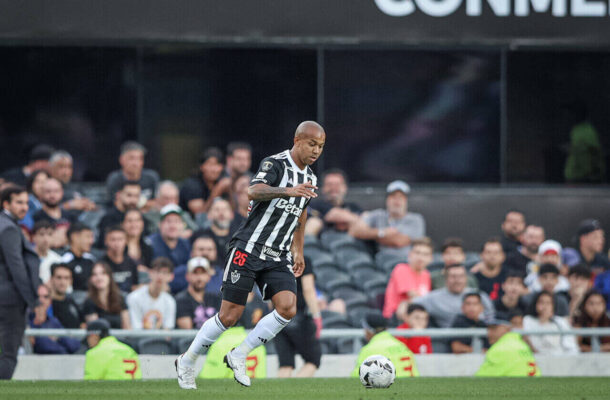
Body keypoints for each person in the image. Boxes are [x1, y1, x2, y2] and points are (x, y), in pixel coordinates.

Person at [176, 120, 325, 389]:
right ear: (297, 140)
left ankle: (239, 354)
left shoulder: (312, 178)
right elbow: (252, 190)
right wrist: (287, 190)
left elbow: (302, 212)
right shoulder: (275, 163)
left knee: (288, 308)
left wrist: (298, 249)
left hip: (278, 254)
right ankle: (187, 361)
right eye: (312, 144)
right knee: (229, 316)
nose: (316, 150)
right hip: (249, 247)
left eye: (321, 146)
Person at [0, 186, 40, 379]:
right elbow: (17, 268)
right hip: (9, 301)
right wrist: (33, 302)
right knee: (8, 355)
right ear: (6, 204)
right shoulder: (8, 228)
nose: (24, 207)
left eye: (26, 202)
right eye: (19, 202)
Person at [349, 180, 425, 259]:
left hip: (405, 262)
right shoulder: (378, 214)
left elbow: (398, 241)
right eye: (393, 197)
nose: (397, 201)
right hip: (381, 262)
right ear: (387, 199)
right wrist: (382, 232)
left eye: (400, 197)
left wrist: (369, 234)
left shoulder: (416, 219)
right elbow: (354, 231)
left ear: (406, 201)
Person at [275, 254, 323, 378]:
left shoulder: (275, 259)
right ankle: (295, 390)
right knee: (313, 359)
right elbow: (308, 290)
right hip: (298, 316)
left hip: (277, 316)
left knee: (285, 364)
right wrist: (317, 316)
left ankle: (279, 395)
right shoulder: (303, 260)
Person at [413, 263, 494, 328]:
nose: (457, 280)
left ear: (466, 278)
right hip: (449, 340)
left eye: (461, 276)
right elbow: (409, 305)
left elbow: (490, 317)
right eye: (453, 276)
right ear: (446, 278)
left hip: (478, 338)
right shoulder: (433, 298)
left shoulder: (479, 295)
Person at [351, 312, 419, 378]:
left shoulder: (368, 350)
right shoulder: (402, 346)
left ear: (369, 331)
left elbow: (356, 378)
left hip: (390, 388)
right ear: (386, 328)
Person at [383, 237, 433, 319]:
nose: (420, 257)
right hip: (395, 317)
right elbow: (414, 296)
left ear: (431, 258)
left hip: (417, 317)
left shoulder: (426, 274)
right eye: (417, 253)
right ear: (410, 254)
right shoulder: (401, 269)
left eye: (425, 254)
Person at [475, 317, 540, 377]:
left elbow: (480, 379)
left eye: (494, 328)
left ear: (508, 328)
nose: (489, 332)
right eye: (488, 328)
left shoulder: (498, 349)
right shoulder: (522, 345)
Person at [148, 204, 191, 293]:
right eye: (168, 221)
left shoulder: (186, 244)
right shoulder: (150, 243)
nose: (172, 225)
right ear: (160, 224)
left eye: (176, 221)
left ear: (182, 225)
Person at [305, 168, 361, 236]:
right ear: (323, 188)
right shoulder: (315, 205)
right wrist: (356, 220)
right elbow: (335, 215)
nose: (333, 188)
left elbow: (366, 219)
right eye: (329, 184)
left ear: (345, 188)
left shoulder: (353, 207)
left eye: (337, 184)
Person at [28, 284, 81, 354]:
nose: (41, 300)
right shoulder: (25, 321)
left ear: (50, 301)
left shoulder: (53, 321)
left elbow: (74, 345)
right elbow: (43, 346)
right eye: (38, 296)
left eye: (45, 297)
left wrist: (58, 338)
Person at [106, 141, 160, 208]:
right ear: (121, 160)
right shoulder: (115, 179)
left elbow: (158, 203)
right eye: (131, 158)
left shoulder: (151, 177)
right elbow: (113, 205)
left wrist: (137, 202)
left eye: (140, 158)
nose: (135, 163)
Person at [199, 326, 266, 380]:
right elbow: (262, 375)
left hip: (232, 393)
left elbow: (209, 377)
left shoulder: (221, 344)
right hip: (255, 392)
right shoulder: (258, 345)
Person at [523, 291, 579, 355]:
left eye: (548, 303)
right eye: (541, 302)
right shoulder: (528, 320)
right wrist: (543, 320)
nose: (545, 306)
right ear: (535, 304)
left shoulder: (561, 322)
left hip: (558, 359)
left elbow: (571, 347)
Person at [127, 257, 176, 330]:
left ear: (171, 277)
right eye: (157, 271)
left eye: (165, 273)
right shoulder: (134, 297)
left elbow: (168, 330)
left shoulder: (170, 301)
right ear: (150, 273)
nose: (160, 276)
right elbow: (136, 329)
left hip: (160, 340)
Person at [180, 147, 232, 216]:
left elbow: (232, 213)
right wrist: (218, 189)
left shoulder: (222, 181)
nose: (214, 169)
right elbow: (200, 216)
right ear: (201, 166)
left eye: (217, 165)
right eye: (210, 164)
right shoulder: (192, 185)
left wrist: (230, 190)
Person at [175, 257, 221, 329]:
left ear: (208, 276)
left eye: (203, 273)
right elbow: (187, 331)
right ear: (187, 276)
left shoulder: (215, 297)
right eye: (195, 273)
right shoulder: (181, 299)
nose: (199, 277)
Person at [83, 261, 130, 329]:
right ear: (91, 279)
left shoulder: (120, 299)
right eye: (94, 274)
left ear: (109, 276)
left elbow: (127, 328)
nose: (99, 278)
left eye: (103, 273)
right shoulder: (89, 302)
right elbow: (95, 331)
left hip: (120, 339)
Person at [33, 177, 77, 249]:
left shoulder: (70, 216)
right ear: (41, 194)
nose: (52, 195)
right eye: (48, 191)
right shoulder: (36, 217)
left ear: (62, 193)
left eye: (56, 191)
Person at [96, 180, 142, 248]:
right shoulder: (108, 218)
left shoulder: (141, 218)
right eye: (129, 195)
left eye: (136, 196)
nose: (133, 200)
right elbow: (103, 245)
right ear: (118, 195)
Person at [102, 226, 139, 293]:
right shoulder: (101, 264)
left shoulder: (131, 263)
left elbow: (134, 286)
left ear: (126, 241)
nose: (117, 244)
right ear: (106, 241)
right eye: (113, 240)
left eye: (120, 239)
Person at [61, 222, 96, 292]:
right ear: (74, 237)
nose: (91, 241)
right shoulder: (64, 261)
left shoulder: (91, 259)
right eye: (88, 237)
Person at [49, 263, 84, 329]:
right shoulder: (46, 304)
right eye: (59, 277)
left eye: (66, 278)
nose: (62, 282)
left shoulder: (71, 301)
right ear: (51, 279)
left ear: (71, 281)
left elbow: (82, 324)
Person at [122, 208, 154, 276]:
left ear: (142, 223)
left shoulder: (147, 247)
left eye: (137, 220)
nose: (134, 224)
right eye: (129, 221)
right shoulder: (118, 246)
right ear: (123, 224)